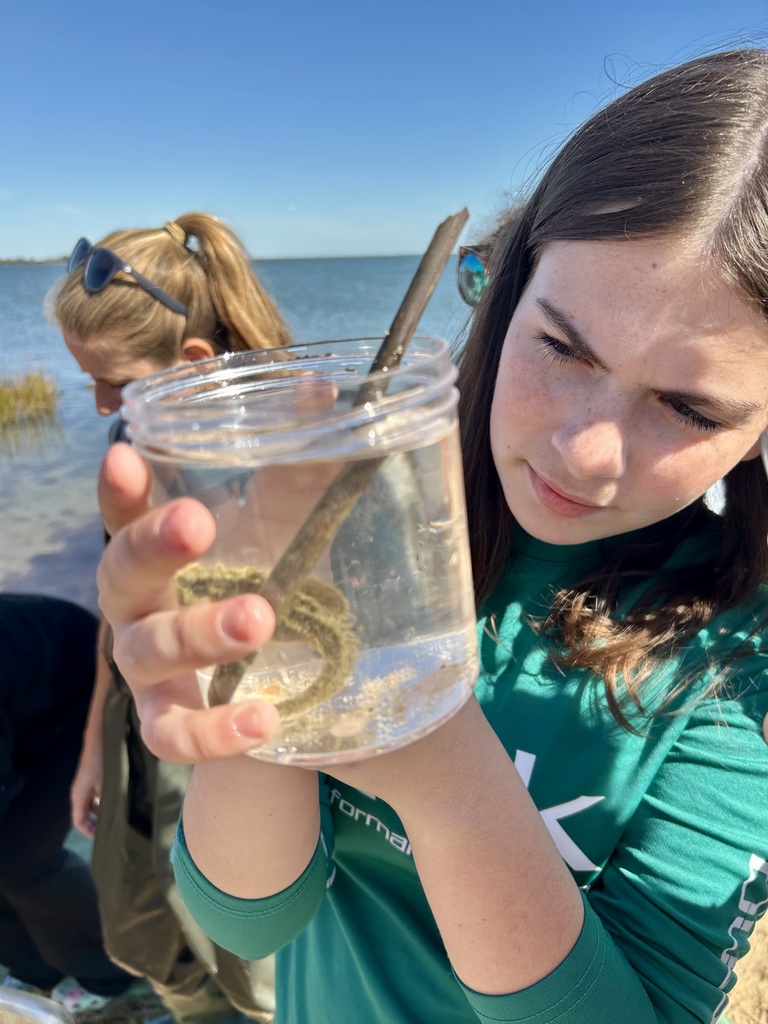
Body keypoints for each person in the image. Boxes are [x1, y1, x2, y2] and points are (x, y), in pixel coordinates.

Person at [92, 49, 768, 1024]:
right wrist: (262, 667)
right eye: (564, 347)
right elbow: (250, 918)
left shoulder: (735, 669)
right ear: (505, 288)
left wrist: (444, 773)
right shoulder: (372, 531)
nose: (585, 452)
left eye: (689, 408)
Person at [50, 212, 293, 1024]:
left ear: (193, 366)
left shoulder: (276, 449)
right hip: (136, 704)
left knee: (240, 929)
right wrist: (92, 744)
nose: (98, 405)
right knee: (139, 910)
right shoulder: (133, 435)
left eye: (113, 382)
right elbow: (118, 608)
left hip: (232, 720)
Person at [0, 593, 142, 1013]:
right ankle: (34, 970)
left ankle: (109, 973)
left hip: (72, 695)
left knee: (22, 861)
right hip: (19, 706)